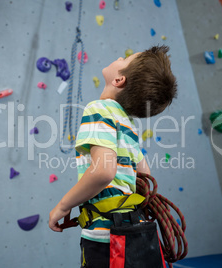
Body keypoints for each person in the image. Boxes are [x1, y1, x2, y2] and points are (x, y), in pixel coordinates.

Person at [49, 45, 177, 267]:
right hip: (132, 225)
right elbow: (144, 175)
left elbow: (103, 171)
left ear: (119, 80)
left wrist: (63, 205)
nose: (119, 56)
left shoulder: (99, 109)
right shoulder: (128, 123)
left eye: (125, 59)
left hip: (105, 233)